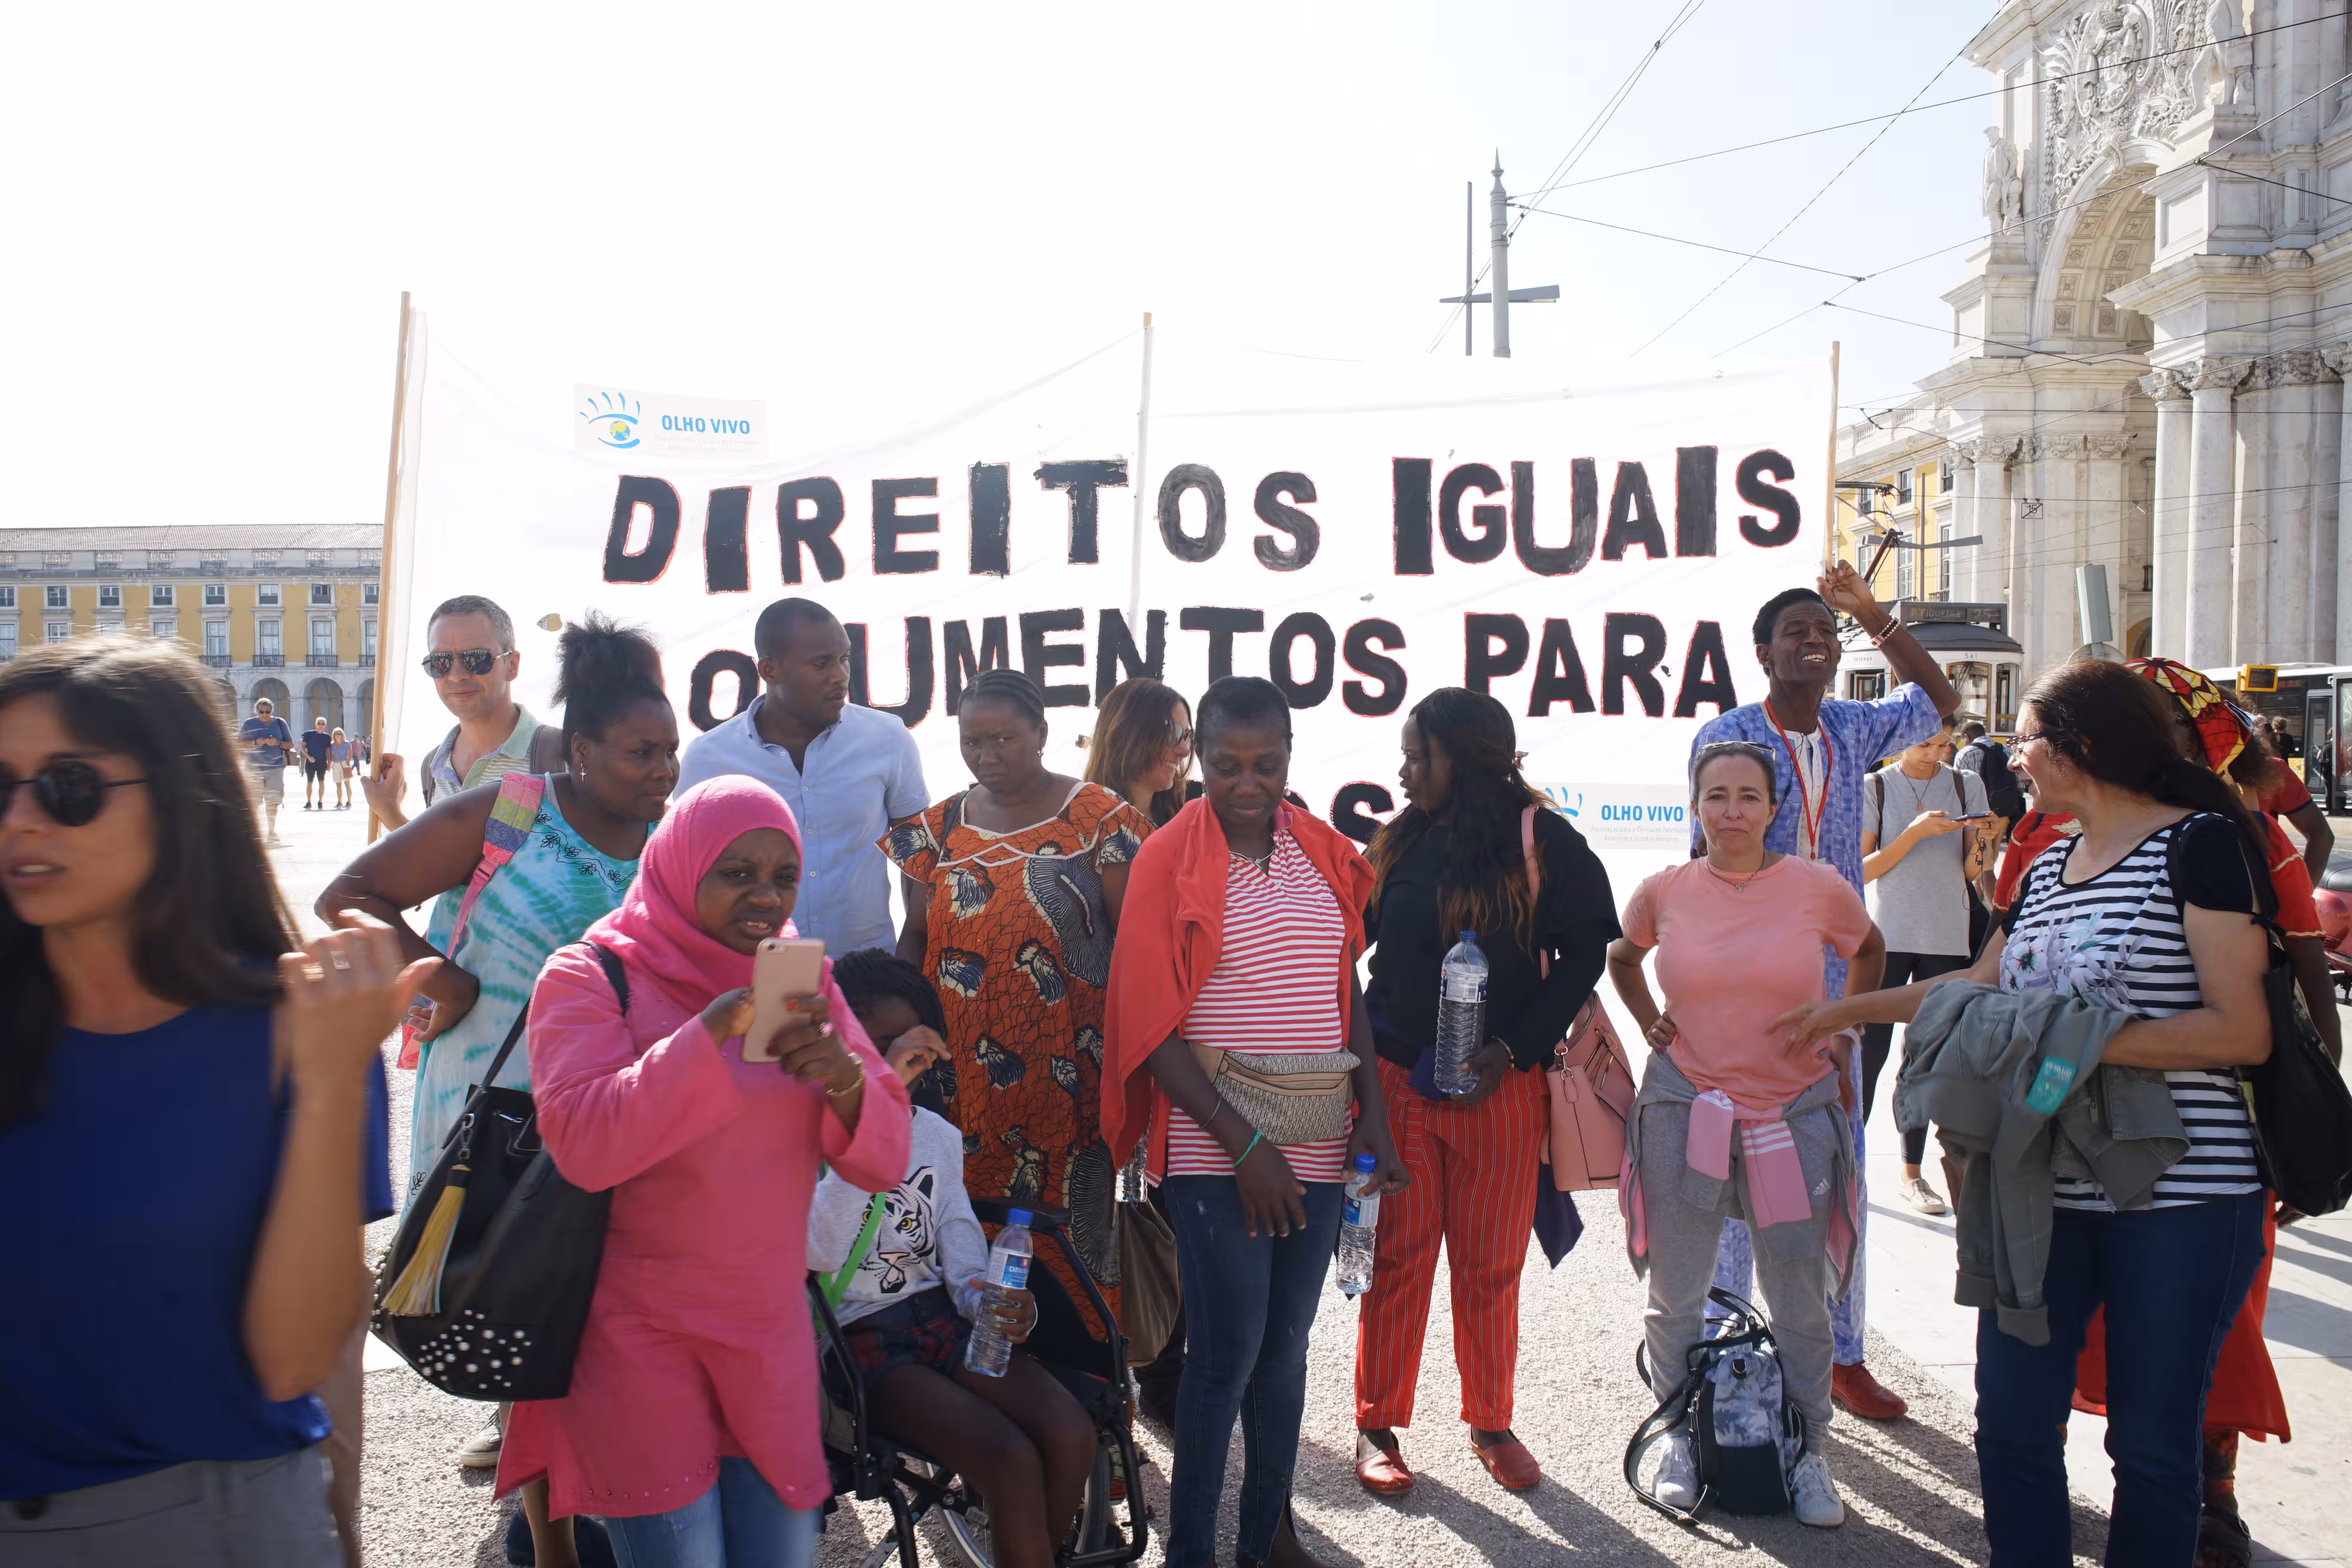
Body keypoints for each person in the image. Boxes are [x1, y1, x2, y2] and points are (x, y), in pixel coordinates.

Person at [1778, 660, 2275, 1565]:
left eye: (2031, 736)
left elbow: (2241, 1031)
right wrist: (1840, 1013)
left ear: (2083, 745)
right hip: (2038, 1191)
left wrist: (2064, 1039)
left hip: (2184, 1198)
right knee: (2009, 1426)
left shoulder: (2199, 844)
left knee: (2154, 1451)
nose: (2014, 754)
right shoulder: (2047, 864)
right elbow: (1975, 989)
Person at [0, 638, 409, 1566]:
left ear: (181, 797)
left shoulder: (299, 1027)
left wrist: (341, 1514)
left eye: (68, 786)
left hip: (212, 1527)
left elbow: (304, 1358)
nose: (21, 818)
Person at [318, 614, 675, 1565]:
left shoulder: (672, 837)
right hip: (498, 1112)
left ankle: (619, 1505)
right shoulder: (508, 810)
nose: (662, 769)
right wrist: (440, 978)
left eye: (670, 750)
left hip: (622, 1113)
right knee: (535, 1320)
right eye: (642, 751)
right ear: (585, 747)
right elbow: (351, 893)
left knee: (612, 1322)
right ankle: (548, 1539)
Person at [496, 777, 911, 1567]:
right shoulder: (588, 976)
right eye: (737, 872)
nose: (764, 895)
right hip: (635, 1340)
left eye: (783, 875)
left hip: (766, 1344)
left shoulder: (800, 981)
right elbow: (586, 1147)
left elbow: (884, 1158)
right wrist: (707, 1033)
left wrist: (851, 1082)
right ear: (681, 865)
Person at [1103, 675, 1409, 1568]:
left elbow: (1340, 986)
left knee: (1284, 1353)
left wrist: (1373, 1119)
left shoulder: (1320, 848)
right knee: (1224, 1356)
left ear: (1288, 756)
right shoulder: (1168, 857)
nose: (1248, 781)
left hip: (1317, 1135)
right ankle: (1192, 1552)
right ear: (1197, 756)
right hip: (1214, 1144)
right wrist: (1244, 1148)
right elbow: (1148, 1026)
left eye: (1266, 763)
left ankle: (1268, 1543)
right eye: (1228, 763)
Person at [1686, 567, 1961, 1422]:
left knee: (1838, 1164)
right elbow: (1705, 852)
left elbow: (1939, 698)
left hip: (1843, 984)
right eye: (1796, 631)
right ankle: (1721, 1348)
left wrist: (1871, 612)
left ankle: (1843, 1351)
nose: (1815, 640)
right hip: (1745, 981)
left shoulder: (1854, 725)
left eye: (1824, 632)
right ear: (1763, 653)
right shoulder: (1729, 734)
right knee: (1730, 1163)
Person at [1608, 739, 1882, 1528]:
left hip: (1791, 1111)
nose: (1732, 812)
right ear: (1696, 806)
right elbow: (1623, 957)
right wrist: (1646, 1020)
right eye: (1717, 795)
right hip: (1686, 1104)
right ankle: (1679, 1437)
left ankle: (1808, 1451)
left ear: (1773, 810)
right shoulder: (1664, 890)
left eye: (1748, 797)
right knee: (1677, 1287)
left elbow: (1868, 950)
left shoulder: (1816, 887)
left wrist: (1843, 1030)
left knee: (1799, 1289)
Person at [1352, 688, 1619, 1496]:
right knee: (1395, 1258)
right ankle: (1377, 1425)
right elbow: (1347, 947)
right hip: (1399, 1079)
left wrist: (1511, 1050)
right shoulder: (1399, 841)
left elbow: (1582, 958)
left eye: (1416, 755)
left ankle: (1490, 1421)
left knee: (1491, 1264)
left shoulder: (1544, 841)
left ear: (1460, 759)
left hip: (1501, 1088)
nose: (1402, 770)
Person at [814, 949, 1100, 1568]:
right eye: (873, 1042)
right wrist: (870, 1131)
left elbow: (959, 1246)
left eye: (905, 1045)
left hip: (941, 1317)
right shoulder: (806, 1130)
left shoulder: (936, 1136)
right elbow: (817, 1250)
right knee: (1008, 1454)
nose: (891, 1059)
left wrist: (987, 1298)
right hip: (857, 1336)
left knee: (1072, 1429)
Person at [882, 667, 1151, 1316]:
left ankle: (1091, 1382)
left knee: (1070, 1229)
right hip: (960, 1086)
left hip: (1071, 1077)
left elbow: (1137, 945)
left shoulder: (1100, 819)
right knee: (964, 1225)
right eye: (972, 742)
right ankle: (982, 1359)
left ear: (1042, 734)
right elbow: (913, 940)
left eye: (1003, 738)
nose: (986, 755)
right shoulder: (937, 828)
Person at [676, 596, 927, 954]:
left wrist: (910, 959)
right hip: (750, 981)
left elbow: (918, 860)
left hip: (871, 975)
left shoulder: (887, 739)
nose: (840, 676)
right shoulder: (709, 759)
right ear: (769, 671)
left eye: (843, 659)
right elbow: (688, 876)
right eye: (821, 664)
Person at [1858, 716, 1990, 1216]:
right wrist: (1914, 835)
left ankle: (1913, 1174)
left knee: (1926, 1060)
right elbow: (1861, 869)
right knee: (1868, 1055)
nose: (1934, 752)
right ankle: (1848, 1164)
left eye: (1943, 743)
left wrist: (1982, 840)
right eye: (1924, 743)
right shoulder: (1878, 786)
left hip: (1947, 936)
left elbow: (1971, 871)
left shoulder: (1966, 783)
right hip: (1885, 937)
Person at [363, 594, 569, 831]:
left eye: (475, 659)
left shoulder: (565, 758)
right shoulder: (433, 767)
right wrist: (391, 812)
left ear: (511, 666)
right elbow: (445, 864)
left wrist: (391, 817)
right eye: (440, 662)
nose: (456, 675)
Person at [1082, 676, 1195, 826]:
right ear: (1126, 734)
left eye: (1187, 736)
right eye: (1173, 732)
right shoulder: (1078, 829)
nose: (1185, 751)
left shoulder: (1189, 823)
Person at [241, 694, 295, 844]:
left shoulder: (280, 723)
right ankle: (255, 831)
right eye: (261, 712)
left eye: (268, 712)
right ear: (256, 711)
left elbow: (291, 744)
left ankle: (271, 831)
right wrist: (255, 742)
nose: (265, 715)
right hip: (253, 769)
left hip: (275, 768)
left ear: (272, 711)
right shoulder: (248, 724)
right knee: (254, 802)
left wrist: (278, 743)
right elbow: (238, 745)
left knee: (272, 801)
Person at [302, 716, 333, 811]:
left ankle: (320, 801)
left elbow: (328, 751)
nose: (321, 726)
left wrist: (329, 764)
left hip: (322, 762)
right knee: (310, 782)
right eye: (319, 723)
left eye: (323, 724)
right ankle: (309, 801)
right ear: (316, 724)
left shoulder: (327, 737)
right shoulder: (309, 734)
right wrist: (309, 757)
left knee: (321, 782)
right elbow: (302, 748)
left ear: (325, 726)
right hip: (310, 763)